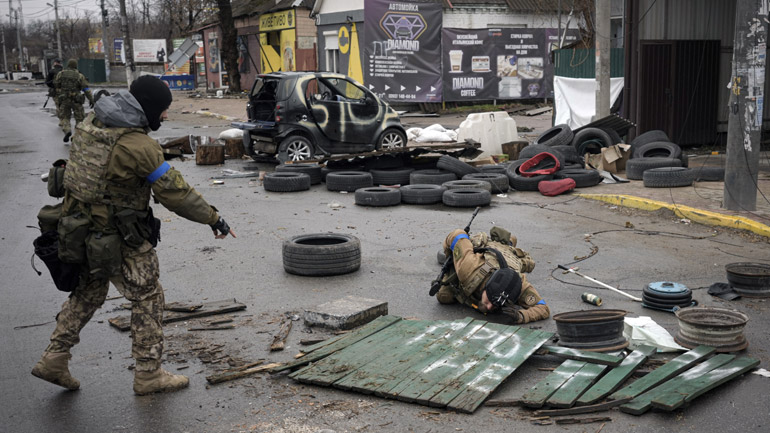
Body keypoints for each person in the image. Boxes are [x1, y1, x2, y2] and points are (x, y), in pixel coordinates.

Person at [31, 75, 235, 395]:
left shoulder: (93, 121)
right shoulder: (138, 146)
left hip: (77, 228)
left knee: (88, 293)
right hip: (118, 236)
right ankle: (148, 374)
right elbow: (174, 192)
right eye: (163, 110)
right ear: (149, 108)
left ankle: (54, 358)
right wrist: (213, 218)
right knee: (149, 296)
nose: (165, 116)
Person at [436, 226, 550, 324]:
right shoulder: (469, 268)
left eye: (495, 303)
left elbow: (543, 309)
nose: (490, 306)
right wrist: (451, 260)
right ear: (487, 286)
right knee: (444, 296)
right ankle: (506, 242)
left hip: (510, 257)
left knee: (511, 250)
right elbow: (457, 234)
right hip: (487, 253)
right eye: (490, 299)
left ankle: (508, 243)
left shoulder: (518, 284)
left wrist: (520, 316)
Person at [54, 58, 94, 143]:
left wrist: (60, 96)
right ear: (76, 65)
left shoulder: (61, 74)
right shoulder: (79, 75)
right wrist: (91, 99)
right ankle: (76, 135)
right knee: (79, 119)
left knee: (65, 117)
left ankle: (67, 130)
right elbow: (86, 89)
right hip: (76, 99)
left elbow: (56, 86)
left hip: (64, 99)